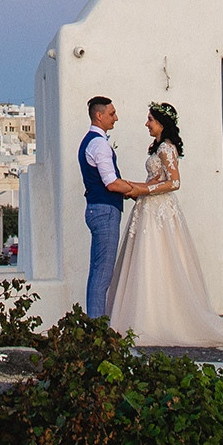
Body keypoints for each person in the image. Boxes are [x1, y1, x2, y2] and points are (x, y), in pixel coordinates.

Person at [104, 101, 223, 350]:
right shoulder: (158, 148)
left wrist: (143, 189)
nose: (146, 124)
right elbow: (155, 180)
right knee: (147, 261)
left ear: (161, 123)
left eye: (150, 119)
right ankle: (146, 316)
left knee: (163, 259)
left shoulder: (167, 149)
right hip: (149, 208)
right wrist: (135, 186)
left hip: (160, 210)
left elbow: (175, 182)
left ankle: (160, 320)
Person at [78, 96, 146, 314]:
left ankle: (94, 323)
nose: (115, 118)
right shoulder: (99, 144)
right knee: (102, 273)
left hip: (98, 208)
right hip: (104, 210)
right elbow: (111, 183)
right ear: (99, 116)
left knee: (98, 270)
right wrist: (140, 190)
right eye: (112, 114)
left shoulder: (91, 141)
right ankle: (97, 326)